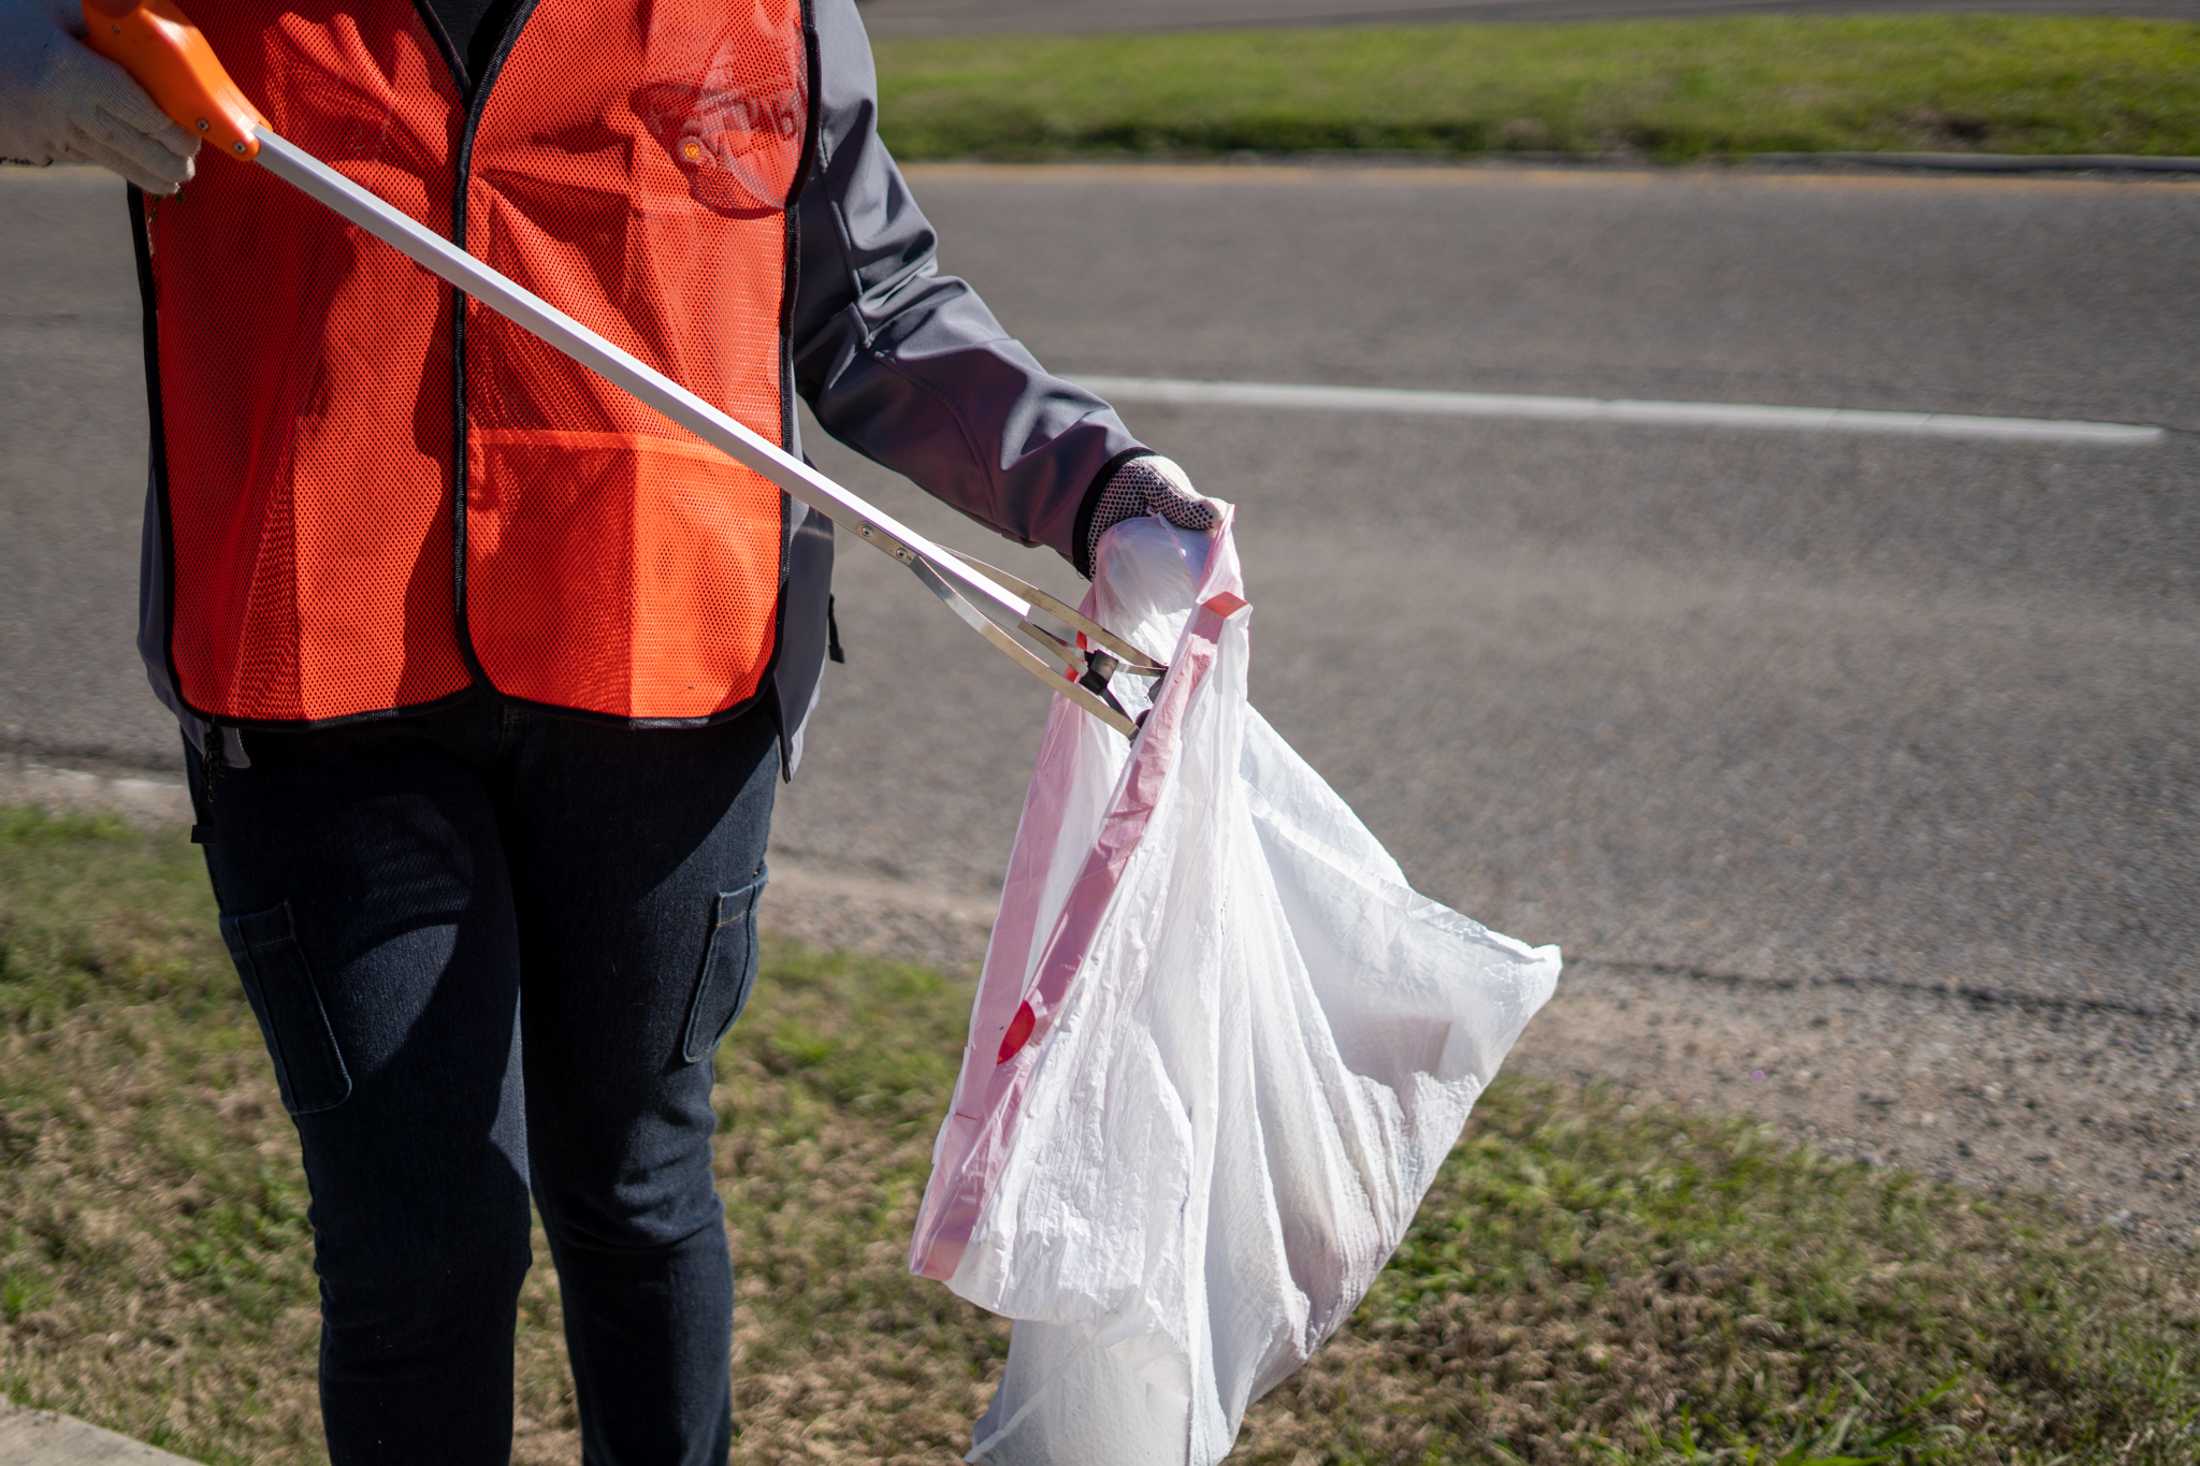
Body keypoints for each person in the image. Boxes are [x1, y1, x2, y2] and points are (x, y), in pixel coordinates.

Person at [1, 0, 1218, 1460]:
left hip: (666, 680)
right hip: (314, 690)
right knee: (420, 1242)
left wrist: (1095, 484)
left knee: (637, 1187)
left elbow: (874, 308)